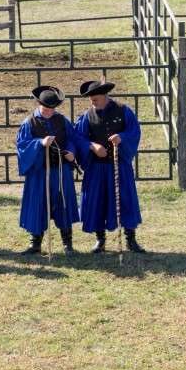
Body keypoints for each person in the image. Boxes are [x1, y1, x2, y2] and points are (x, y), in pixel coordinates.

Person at [73, 80, 146, 254]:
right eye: (91, 100)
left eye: (96, 99)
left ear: (105, 96)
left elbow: (134, 132)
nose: (93, 103)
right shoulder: (87, 116)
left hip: (118, 166)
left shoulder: (123, 110)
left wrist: (122, 137)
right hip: (97, 169)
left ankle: (130, 239)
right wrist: (92, 146)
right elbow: (78, 138)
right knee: (97, 201)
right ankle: (100, 240)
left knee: (125, 200)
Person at [16, 86, 81, 254]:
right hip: (39, 173)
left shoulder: (62, 120)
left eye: (52, 109)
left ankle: (68, 244)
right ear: (38, 104)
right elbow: (22, 146)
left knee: (63, 204)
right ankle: (35, 244)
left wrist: (71, 152)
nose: (49, 112)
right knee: (38, 205)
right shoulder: (29, 122)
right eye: (46, 109)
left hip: (60, 171)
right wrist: (40, 143)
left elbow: (71, 139)